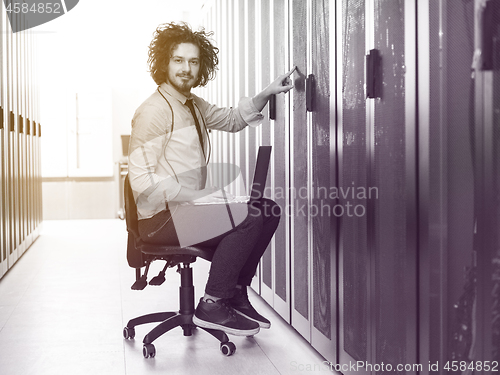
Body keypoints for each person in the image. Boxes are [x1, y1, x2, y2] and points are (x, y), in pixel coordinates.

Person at [128, 22, 295, 337]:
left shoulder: (191, 104)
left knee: (267, 209)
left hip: (185, 210)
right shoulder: (154, 113)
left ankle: (236, 294)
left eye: (193, 62)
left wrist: (268, 91)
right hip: (161, 219)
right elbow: (142, 181)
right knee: (247, 219)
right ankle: (213, 302)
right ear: (164, 62)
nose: (186, 68)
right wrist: (199, 195)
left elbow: (232, 120)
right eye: (178, 60)